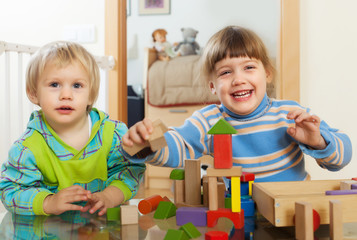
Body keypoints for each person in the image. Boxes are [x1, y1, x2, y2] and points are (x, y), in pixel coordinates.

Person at [122, 26, 352, 182]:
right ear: (212, 87)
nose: (238, 79)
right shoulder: (208, 120)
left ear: (267, 74)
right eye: (225, 72)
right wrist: (145, 143)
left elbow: (341, 158)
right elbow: (177, 146)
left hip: (290, 212)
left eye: (249, 67)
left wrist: (319, 142)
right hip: (238, 215)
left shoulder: (289, 114)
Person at [0, 41, 145, 216]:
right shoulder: (27, 148)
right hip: (51, 231)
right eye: (54, 85)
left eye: (77, 86)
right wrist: (48, 202)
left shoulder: (112, 135)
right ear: (33, 93)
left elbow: (130, 171)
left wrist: (109, 196)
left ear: (91, 95)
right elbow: (10, 191)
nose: (66, 95)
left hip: (103, 228)